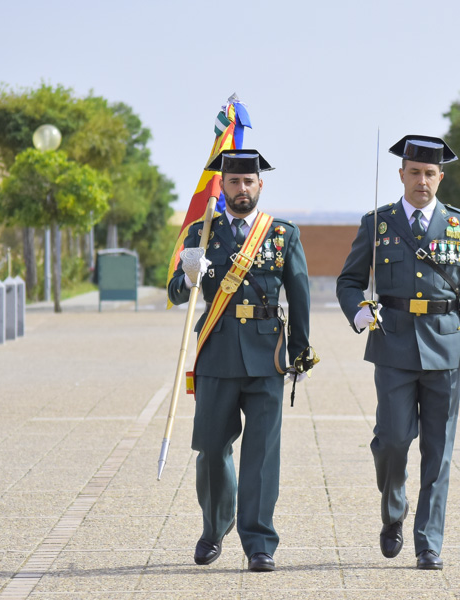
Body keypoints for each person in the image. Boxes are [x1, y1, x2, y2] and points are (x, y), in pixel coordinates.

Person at [336, 134, 460, 570]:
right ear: (402, 175)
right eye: (415, 173)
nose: (422, 181)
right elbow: (349, 280)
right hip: (391, 343)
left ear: (440, 177)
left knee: (438, 448)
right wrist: (358, 314)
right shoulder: (379, 222)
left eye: (430, 174)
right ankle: (394, 511)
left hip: (446, 346)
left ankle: (428, 541)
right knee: (392, 440)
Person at [168, 149, 313, 572]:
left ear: (259, 186)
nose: (242, 188)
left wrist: (300, 354)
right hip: (216, 351)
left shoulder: (282, 234)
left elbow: (300, 295)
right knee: (212, 450)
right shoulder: (201, 233)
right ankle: (214, 528)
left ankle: (259, 542)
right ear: (223, 186)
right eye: (234, 182)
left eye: (249, 181)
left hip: (267, 355)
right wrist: (190, 274)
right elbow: (176, 292)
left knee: (262, 455)